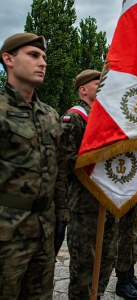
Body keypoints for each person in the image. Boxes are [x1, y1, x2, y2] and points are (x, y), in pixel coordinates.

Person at [0, 32, 69, 299]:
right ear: (9, 59)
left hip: (44, 227)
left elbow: (60, 171)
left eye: (44, 57)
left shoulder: (50, 115)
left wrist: (62, 216)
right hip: (7, 233)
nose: (42, 62)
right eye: (33, 55)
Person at [61, 70, 118, 300]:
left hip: (108, 198)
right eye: (98, 82)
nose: (103, 85)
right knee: (84, 263)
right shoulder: (74, 118)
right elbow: (65, 158)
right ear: (83, 89)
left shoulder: (105, 118)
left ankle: (98, 294)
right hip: (85, 202)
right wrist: (96, 162)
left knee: (107, 256)